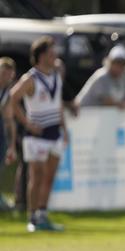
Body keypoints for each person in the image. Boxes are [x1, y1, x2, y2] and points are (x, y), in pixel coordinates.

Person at [10, 36, 67, 231]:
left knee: (50, 176)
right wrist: (27, 122)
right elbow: (13, 98)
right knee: (37, 175)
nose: (55, 57)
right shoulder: (31, 78)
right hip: (36, 134)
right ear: (42, 56)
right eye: (52, 53)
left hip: (54, 131)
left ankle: (43, 213)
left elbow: (58, 104)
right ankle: (32, 216)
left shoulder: (56, 75)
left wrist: (64, 129)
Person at [0, 57, 17, 210]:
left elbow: (9, 118)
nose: (5, 77)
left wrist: (11, 145)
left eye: (8, 74)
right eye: (3, 73)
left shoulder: (7, 92)